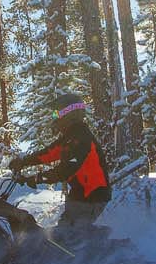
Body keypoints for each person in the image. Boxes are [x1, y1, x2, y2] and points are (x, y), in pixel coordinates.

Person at [9, 93, 112, 254]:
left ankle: (107, 255)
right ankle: (88, 256)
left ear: (68, 113)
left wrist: (36, 178)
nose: (54, 118)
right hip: (81, 196)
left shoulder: (80, 138)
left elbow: (66, 170)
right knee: (63, 236)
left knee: (69, 238)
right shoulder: (71, 137)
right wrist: (23, 162)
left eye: (56, 113)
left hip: (92, 196)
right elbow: (48, 153)